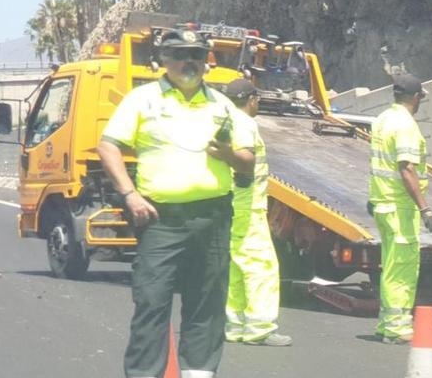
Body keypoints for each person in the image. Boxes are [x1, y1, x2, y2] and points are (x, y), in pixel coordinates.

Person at [98, 29, 255, 378]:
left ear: (206, 62)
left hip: (213, 217)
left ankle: (199, 373)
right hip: (160, 219)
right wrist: (129, 194)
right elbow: (108, 146)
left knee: (207, 303)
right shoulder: (142, 100)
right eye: (181, 54)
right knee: (152, 301)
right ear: (163, 61)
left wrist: (229, 154)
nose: (190, 62)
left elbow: (248, 160)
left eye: (197, 55)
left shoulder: (222, 104)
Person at [369, 73, 432, 344]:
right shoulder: (405, 125)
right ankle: (398, 328)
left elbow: (380, 164)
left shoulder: (382, 120)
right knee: (402, 268)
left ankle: (387, 323)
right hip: (401, 208)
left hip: (383, 204)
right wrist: (425, 209)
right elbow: (406, 167)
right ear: (415, 97)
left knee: (390, 266)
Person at [222, 79, 292, 347]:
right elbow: (244, 157)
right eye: (258, 98)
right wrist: (244, 178)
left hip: (233, 205)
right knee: (262, 265)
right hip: (247, 205)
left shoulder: (226, 120)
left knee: (239, 265)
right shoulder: (244, 123)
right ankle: (260, 328)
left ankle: (237, 324)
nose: (258, 102)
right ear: (251, 99)